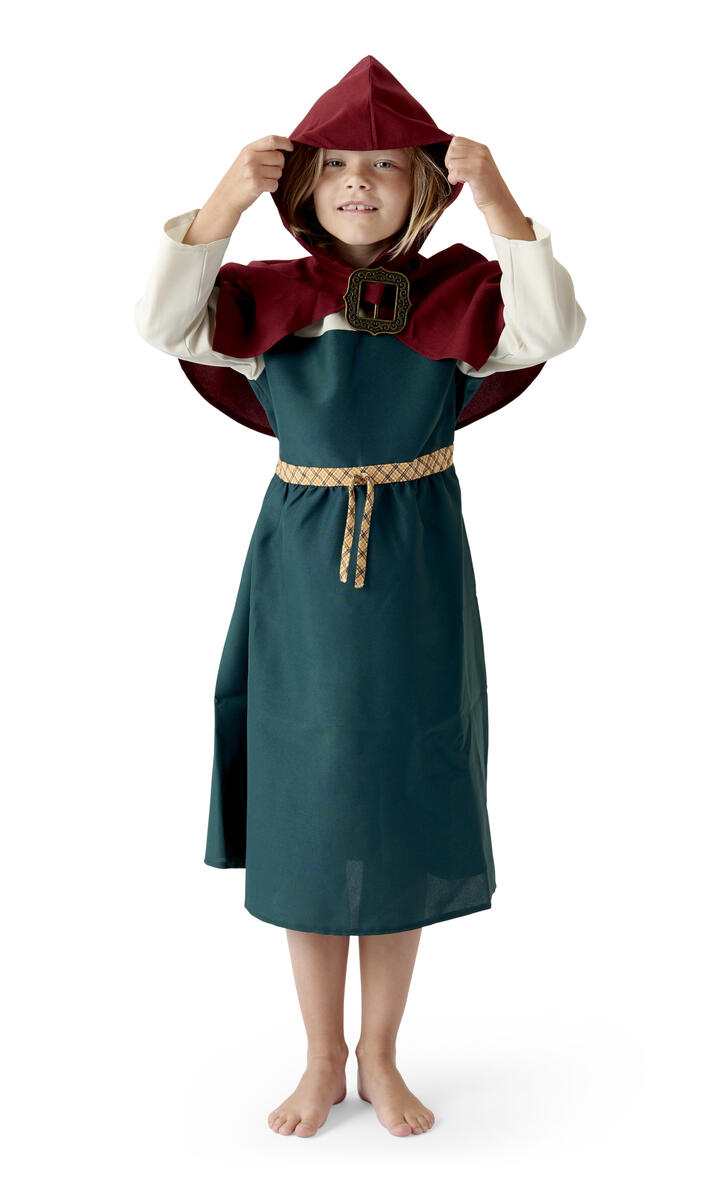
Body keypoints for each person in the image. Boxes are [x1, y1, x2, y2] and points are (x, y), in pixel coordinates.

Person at [134, 55, 586, 1139]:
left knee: (396, 803)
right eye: (337, 164)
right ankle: (319, 1056)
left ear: (424, 186)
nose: (358, 183)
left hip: (416, 576)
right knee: (310, 806)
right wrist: (222, 201)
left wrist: (501, 199)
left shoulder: (458, 295)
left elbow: (551, 328)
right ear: (302, 184)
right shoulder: (270, 301)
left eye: (385, 167)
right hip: (299, 578)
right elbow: (163, 322)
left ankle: (380, 1053)